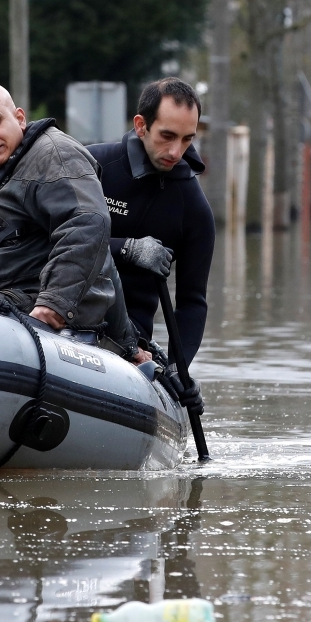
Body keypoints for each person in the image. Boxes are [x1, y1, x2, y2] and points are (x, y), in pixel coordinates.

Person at [0, 83, 145, 360]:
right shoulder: (7, 168)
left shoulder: (53, 156)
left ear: (19, 118)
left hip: (45, 318)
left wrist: (53, 304)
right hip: (8, 305)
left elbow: (87, 224)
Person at [87, 78, 214, 412]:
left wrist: (177, 367)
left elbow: (192, 302)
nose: (176, 152)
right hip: (65, 315)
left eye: (188, 139)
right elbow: (46, 240)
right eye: (167, 136)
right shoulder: (93, 167)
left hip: (130, 340)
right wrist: (127, 248)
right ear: (141, 125)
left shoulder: (195, 207)